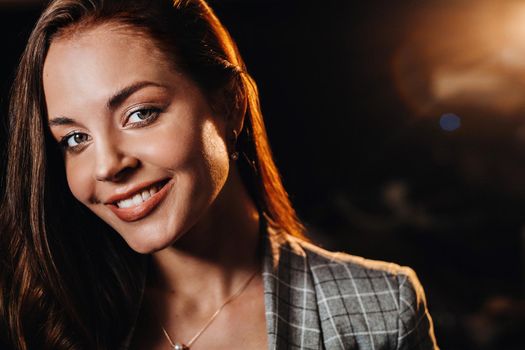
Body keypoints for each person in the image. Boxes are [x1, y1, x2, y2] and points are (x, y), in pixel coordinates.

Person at [0, 0, 439, 349]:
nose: (107, 166)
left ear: (229, 106)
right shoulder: (44, 318)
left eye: (140, 113)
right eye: (75, 139)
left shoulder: (381, 308)